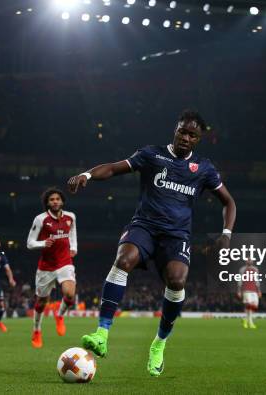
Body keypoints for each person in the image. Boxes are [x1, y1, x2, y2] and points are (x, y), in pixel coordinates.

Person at [68, 109, 236, 376]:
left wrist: (226, 234)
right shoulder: (152, 154)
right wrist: (87, 175)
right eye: (183, 131)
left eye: (192, 135)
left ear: (198, 140)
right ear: (175, 129)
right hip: (144, 226)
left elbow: (229, 202)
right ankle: (101, 333)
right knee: (123, 260)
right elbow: (113, 168)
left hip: (177, 235)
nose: (186, 137)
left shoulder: (203, 168)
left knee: (177, 281)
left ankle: (159, 343)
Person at [27, 187, 78, 348]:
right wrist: (43, 243)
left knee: (70, 294)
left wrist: (74, 247)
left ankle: (60, 315)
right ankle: (36, 330)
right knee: (41, 302)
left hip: (65, 262)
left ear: (62, 201)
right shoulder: (40, 219)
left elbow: (72, 233)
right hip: (46, 266)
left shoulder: (71, 217)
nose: (55, 201)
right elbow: (29, 243)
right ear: (47, 203)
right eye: (51, 199)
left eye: (57, 199)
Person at [237, 259, 261, 329]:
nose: (250, 261)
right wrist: (239, 291)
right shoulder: (242, 269)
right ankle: (250, 323)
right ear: (246, 261)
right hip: (246, 290)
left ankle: (245, 319)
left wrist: (259, 290)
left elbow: (257, 280)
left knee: (255, 305)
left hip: (254, 290)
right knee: (249, 305)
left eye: (251, 260)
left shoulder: (255, 269)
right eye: (248, 260)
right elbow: (240, 280)